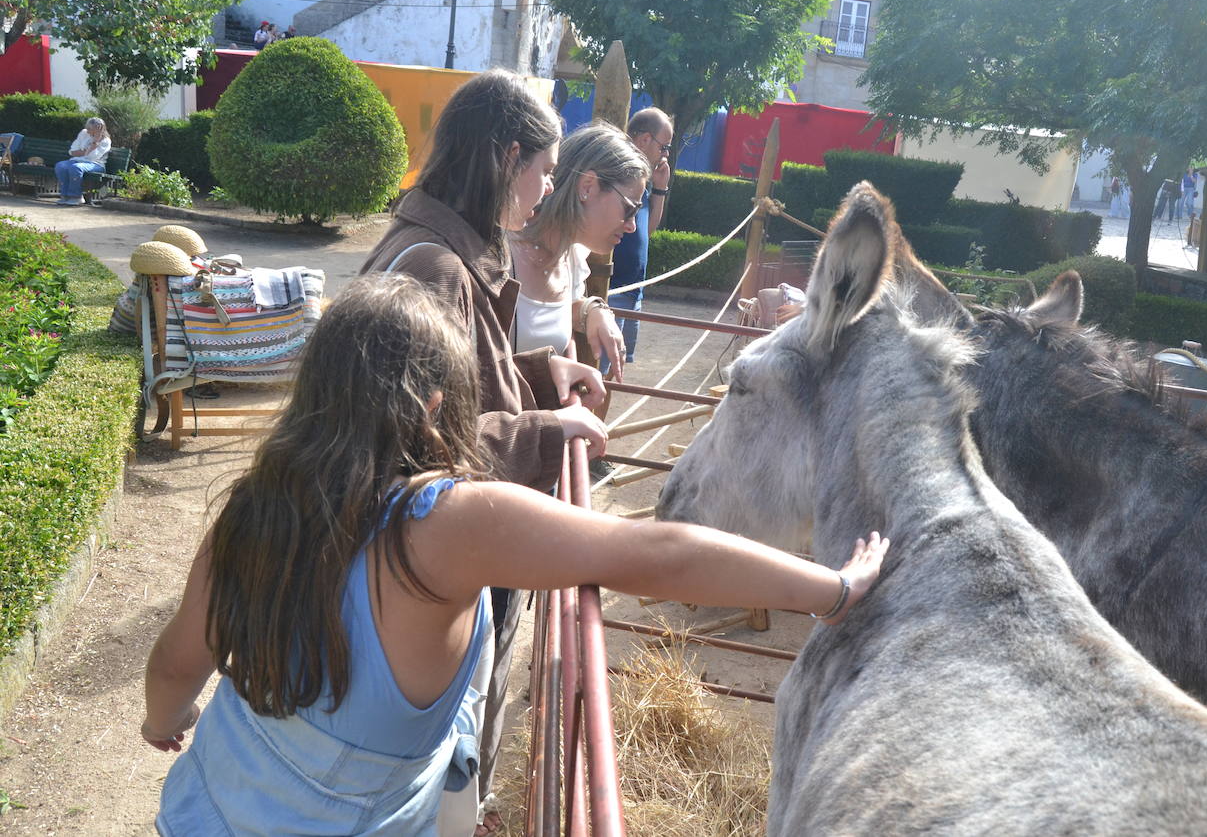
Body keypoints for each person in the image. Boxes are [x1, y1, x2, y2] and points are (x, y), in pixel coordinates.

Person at [141, 274, 889, 835]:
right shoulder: (446, 525)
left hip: (203, 809)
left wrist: (163, 718)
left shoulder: (254, 508)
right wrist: (832, 588)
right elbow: (655, 554)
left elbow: (178, 661)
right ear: (436, 406)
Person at [357, 69, 607, 835]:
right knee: (435, 762)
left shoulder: (437, 251)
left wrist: (539, 373)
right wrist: (548, 429)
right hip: (423, 564)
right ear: (508, 158)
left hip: (419, 557)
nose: (545, 190)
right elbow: (418, 439)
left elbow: (457, 388)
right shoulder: (435, 268)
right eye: (543, 170)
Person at [511, 122, 650, 380]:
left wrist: (592, 310)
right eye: (630, 208)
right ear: (587, 186)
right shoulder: (503, 253)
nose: (632, 226)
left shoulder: (571, 254)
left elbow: (554, 320)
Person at [607, 107, 674, 365]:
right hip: (613, 288)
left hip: (633, 291)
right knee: (601, 367)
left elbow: (647, 230)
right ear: (645, 139)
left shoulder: (641, 175)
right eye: (664, 146)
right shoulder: (621, 172)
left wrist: (659, 189)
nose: (666, 154)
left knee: (617, 368)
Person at [54, 117, 110, 205]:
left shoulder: (105, 141)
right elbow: (72, 151)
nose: (87, 131)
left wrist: (95, 142)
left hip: (96, 164)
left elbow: (93, 157)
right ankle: (65, 196)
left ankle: (76, 197)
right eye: (87, 128)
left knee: (76, 168)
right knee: (60, 166)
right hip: (76, 160)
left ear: (98, 129)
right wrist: (86, 151)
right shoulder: (83, 133)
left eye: (90, 129)